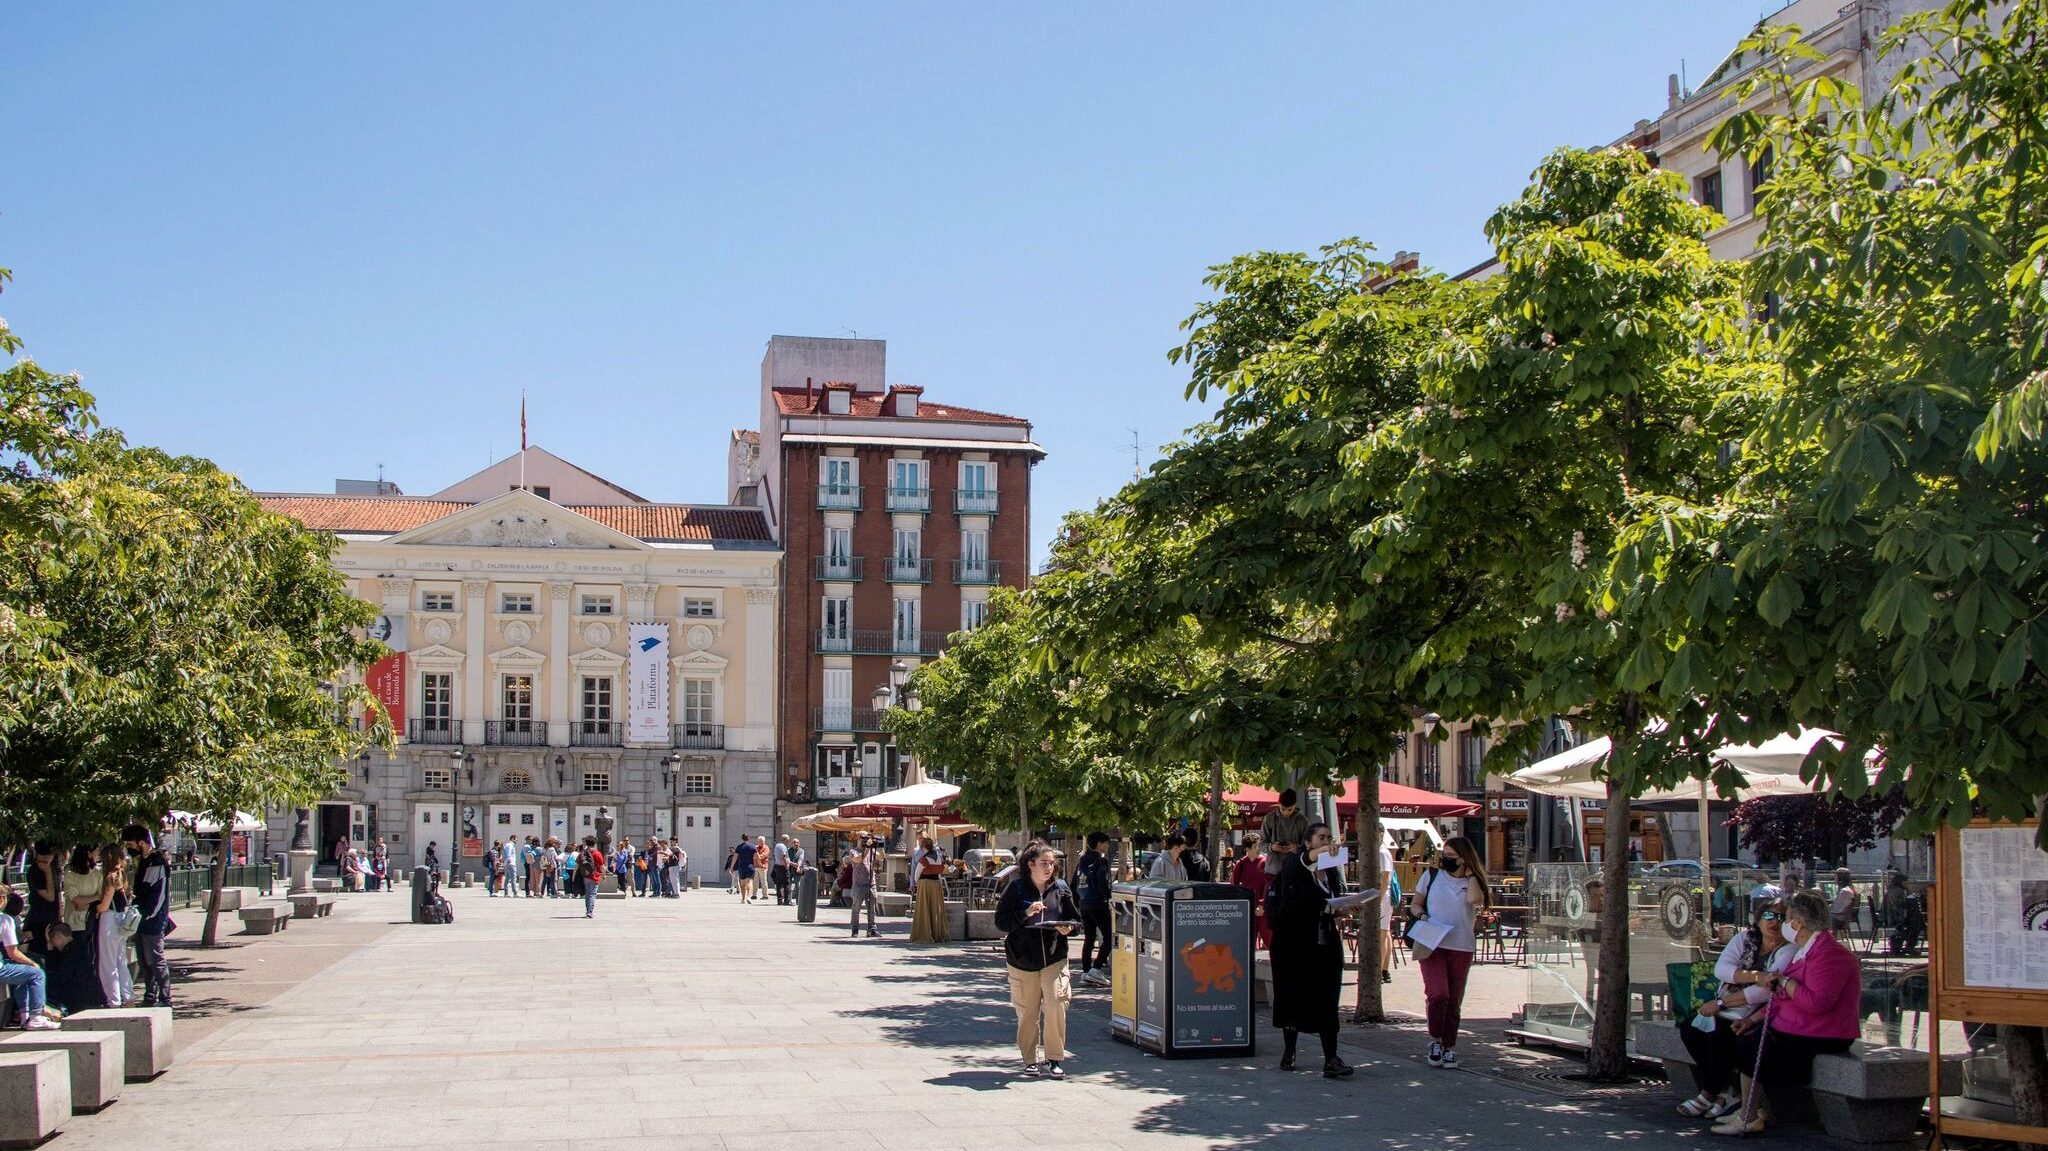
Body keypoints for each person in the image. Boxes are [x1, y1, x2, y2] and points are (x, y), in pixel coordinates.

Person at [1713, 891, 1862, 1137]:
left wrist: (1784, 982)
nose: (1782, 924)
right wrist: (1751, 1018)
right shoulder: (1806, 950)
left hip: (1824, 1031)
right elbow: (1781, 999)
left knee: (1751, 1047)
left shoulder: (1829, 954)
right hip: (1799, 1024)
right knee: (1745, 1037)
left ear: (1798, 923)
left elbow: (1816, 1003)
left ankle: (1748, 1116)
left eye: (1787, 918)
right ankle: (1748, 1108)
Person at [1675, 899, 1791, 1120]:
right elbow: (1722, 970)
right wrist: (1757, 976)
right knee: (1689, 1029)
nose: (1774, 922)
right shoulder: (1745, 939)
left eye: (1781, 917)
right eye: (1769, 916)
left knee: (1721, 1033)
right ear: (1758, 919)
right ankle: (1726, 1090)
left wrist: (1721, 1003)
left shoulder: (1788, 949)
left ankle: (1708, 1093)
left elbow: (1768, 990)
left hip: (1761, 1011)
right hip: (1728, 1003)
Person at [1266, 823, 1354, 1078]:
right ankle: (1289, 1052)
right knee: (1293, 997)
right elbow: (1306, 861)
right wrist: (1322, 851)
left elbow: (1329, 902)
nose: (1327, 842)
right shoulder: (1295, 864)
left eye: (1329, 837)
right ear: (1308, 842)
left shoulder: (1330, 873)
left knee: (1328, 998)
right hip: (1294, 945)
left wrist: (1345, 908)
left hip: (1324, 942)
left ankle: (1331, 1059)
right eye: (1321, 838)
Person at [994, 842, 1080, 1079]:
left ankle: (1054, 1058)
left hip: (1054, 956)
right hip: (1022, 958)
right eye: (1044, 863)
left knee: (1056, 1005)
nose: (1049, 868)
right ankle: (1030, 1060)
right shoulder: (1016, 889)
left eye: (1052, 863)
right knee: (1028, 1012)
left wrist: (1068, 928)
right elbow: (1001, 922)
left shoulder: (1061, 889)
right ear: (1030, 865)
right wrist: (1025, 913)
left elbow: (1075, 919)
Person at [1407, 835, 1491, 1069]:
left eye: (1451, 857)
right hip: (1432, 942)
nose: (1445, 860)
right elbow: (1415, 903)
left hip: (1461, 945)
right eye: (1443, 855)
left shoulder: (1472, 882)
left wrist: (1472, 874)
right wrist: (1423, 917)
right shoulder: (1431, 876)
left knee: (1454, 1000)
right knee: (1438, 994)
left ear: (1464, 859)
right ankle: (1435, 1040)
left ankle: (1449, 1045)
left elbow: (1475, 900)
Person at [121, 825, 173, 1008]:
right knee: (144, 960)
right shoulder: (143, 861)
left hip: (152, 920)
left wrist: (149, 915)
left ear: (141, 842)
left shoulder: (157, 862)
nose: (129, 847)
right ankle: (150, 995)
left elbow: (158, 894)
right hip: (142, 919)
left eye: (130, 843)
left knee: (155, 959)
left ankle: (165, 998)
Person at [1, 885, 61, 1030]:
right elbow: (13, 953)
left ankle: (25, 1017)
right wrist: (33, 964)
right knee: (37, 974)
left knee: (23, 973)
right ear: (2, 900)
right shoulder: (5, 920)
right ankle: (36, 1017)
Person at [95, 846, 134, 1008]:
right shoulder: (123, 875)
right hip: (122, 918)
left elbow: (104, 904)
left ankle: (114, 1000)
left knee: (108, 964)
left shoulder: (111, 876)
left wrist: (97, 909)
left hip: (109, 919)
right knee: (120, 961)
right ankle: (128, 997)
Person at [1074, 832, 1114, 984]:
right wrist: (1108, 898)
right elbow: (1103, 881)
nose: (1108, 846)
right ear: (1099, 844)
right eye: (1106, 843)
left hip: (1084, 903)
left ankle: (1085, 971)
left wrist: (1078, 901)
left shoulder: (1082, 860)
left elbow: (1074, 883)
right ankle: (1096, 968)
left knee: (1089, 938)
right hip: (1098, 903)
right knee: (1110, 936)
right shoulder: (1101, 860)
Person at [1231, 834, 1273, 952]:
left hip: (1263, 909)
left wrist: (1262, 904)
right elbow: (1234, 887)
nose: (1259, 848)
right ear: (1247, 848)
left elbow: (1269, 885)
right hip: (1247, 908)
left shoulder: (1266, 862)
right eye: (1256, 846)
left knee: (1270, 942)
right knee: (1248, 944)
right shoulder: (1241, 864)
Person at [1259, 789, 1311, 875]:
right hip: (1273, 871)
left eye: (1289, 810)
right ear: (1278, 804)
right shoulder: (1269, 818)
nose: (1286, 812)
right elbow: (1261, 843)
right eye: (1283, 809)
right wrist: (1271, 847)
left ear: (1295, 805)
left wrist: (1296, 848)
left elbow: (1309, 846)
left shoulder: (1303, 821)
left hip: (1295, 871)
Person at [910, 835, 948, 943]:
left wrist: (917, 883)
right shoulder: (939, 858)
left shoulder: (924, 859)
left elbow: (917, 874)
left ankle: (924, 933)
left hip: (925, 884)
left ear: (923, 847)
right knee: (936, 909)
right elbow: (941, 869)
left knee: (924, 909)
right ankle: (938, 934)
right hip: (936, 884)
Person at [24, 842, 62, 945]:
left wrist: (59, 915)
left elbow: (57, 894)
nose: (45, 859)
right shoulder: (34, 871)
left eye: (48, 856)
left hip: (53, 917)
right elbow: (50, 897)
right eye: (42, 856)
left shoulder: (55, 868)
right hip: (38, 919)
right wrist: (47, 872)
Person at [845, 837, 882, 938]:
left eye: (867, 838)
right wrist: (866, 849)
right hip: (858, 884)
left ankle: (872, 929)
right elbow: (859, 859)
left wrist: (880, 846)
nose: (865, 840)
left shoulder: (871, 850)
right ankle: (855, 929)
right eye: (863, 838)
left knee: (872, 908)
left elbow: (881, 857)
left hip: (871, 883)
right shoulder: (853, 851)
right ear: (858, 839)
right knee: (856, 907)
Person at [577, 837, 603, 919]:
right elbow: (601, 865)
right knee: (592, 894)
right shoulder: (597, 853)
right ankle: (590, 912)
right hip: (594, 876)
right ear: (595, 843)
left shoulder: (583, 853)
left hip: (585, 876)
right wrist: (602, 875)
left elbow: (577, 864)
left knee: (587, 894)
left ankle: (588, 910)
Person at [1828, 868, 1860, 933]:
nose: (1834, 878)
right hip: (1840, 917)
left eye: (1835, 876)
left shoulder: (1844, 892)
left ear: (1840, 878)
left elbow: (1837, 909)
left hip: (1839, 919)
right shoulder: (1846, 890)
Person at [753, 837, 772, 903]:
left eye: (762, 841)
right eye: (759, 841)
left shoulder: (766, 848)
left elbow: (762, 856)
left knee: (763, 881)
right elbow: (753, 856)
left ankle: (765, 895)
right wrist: (756, 857)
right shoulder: (756, 847)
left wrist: (757, 856)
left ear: (764, 841)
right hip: (756, 866)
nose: (761, 843)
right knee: (755, 881)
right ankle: (754, 895)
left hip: (763, 867)